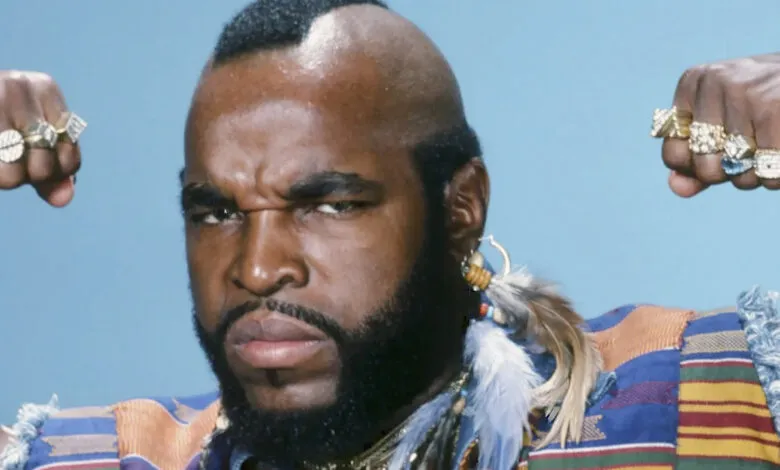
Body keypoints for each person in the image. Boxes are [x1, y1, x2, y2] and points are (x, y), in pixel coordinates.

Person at [1, 1, 778, 469]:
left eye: (330, 205)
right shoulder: (97, 457)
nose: (257, 268)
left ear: (462, 208)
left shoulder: (704, 403)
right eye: (217, 212)